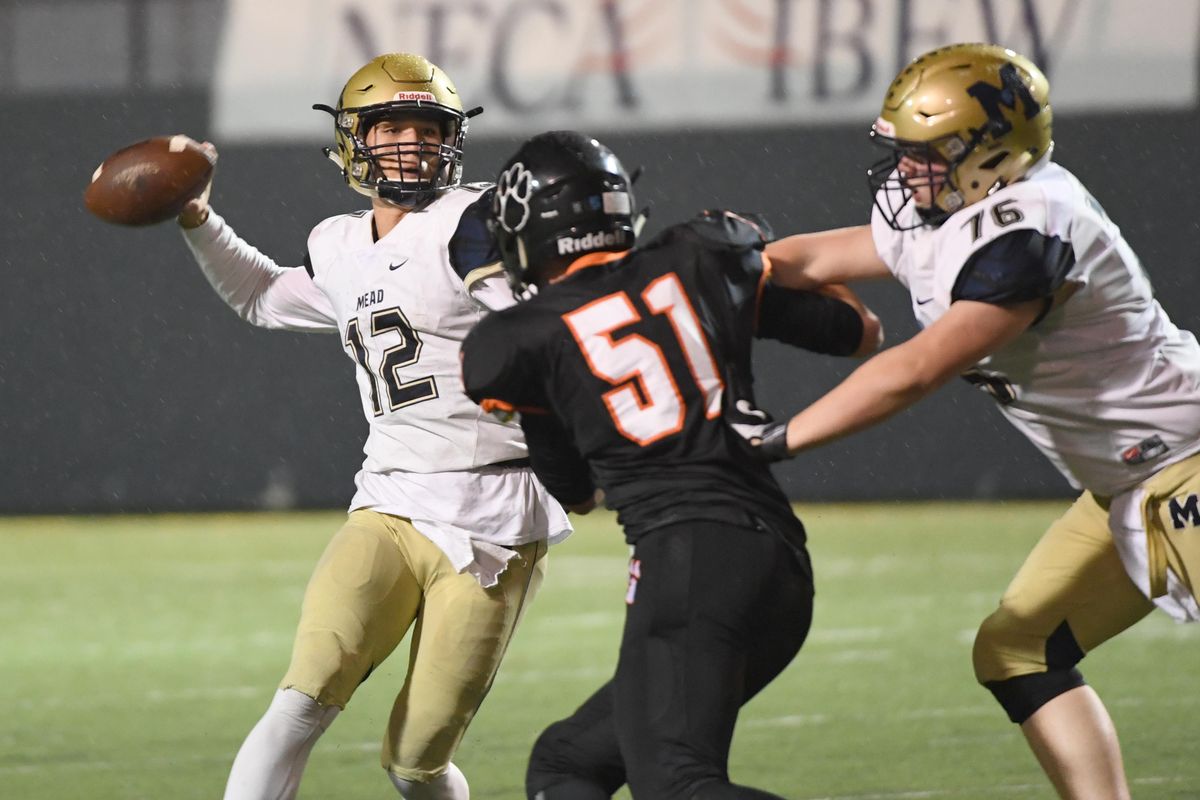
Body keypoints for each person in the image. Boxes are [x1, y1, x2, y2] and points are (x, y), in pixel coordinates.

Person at [760, 43, 1200, 800]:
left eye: (928, 153)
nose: (906, 169)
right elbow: (813, 257)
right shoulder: (949, 211)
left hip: (1185, 458)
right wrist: (711, 272)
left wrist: (776, 441)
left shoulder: (1029, 228)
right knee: (1017, 650)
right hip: (1127, 481)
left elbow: (916, 369)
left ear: (992, 153)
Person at [173, 53, 571, 800]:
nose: (413, 147)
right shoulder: (339, 242)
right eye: (392, 130)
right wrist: (197, 217)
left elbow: (555, 324)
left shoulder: (477, 222)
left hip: (494, 518)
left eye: (428, 131)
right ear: (353, 140)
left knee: (414, 761)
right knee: (300, 699)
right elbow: (261, 296)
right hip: (388, 502)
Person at [458, 131, 881, 799]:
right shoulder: (696, 262)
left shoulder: (519, 338)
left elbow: (572, 489)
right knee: (568, 762)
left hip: (689, 555)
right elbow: (857, 331)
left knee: (677, 784)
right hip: (775, 563)